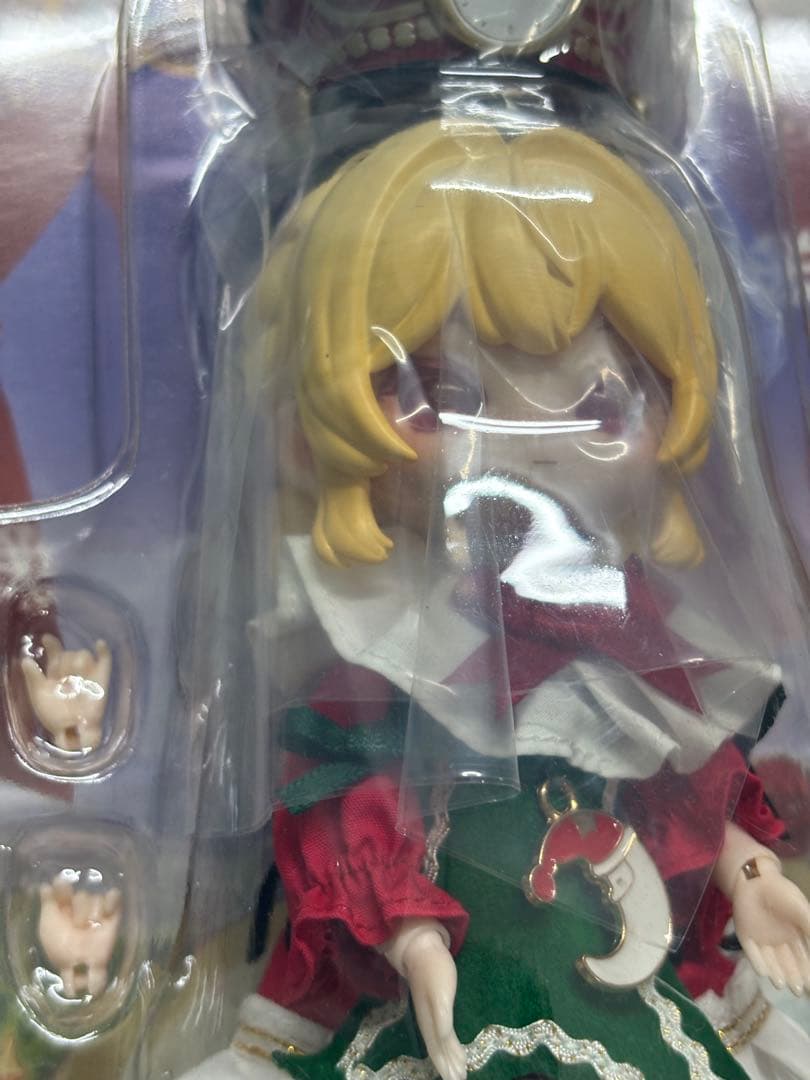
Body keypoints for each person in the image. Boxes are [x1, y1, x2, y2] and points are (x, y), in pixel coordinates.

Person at [185, 119, 810, 1080]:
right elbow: (347, 802)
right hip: (453, 966)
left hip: (620, 958)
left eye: (601, 406)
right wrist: (409, 936)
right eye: (446, 394)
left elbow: (683, 779)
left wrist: (754, 873)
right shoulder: (394, 639)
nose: (532, 445)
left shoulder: (623, 632)